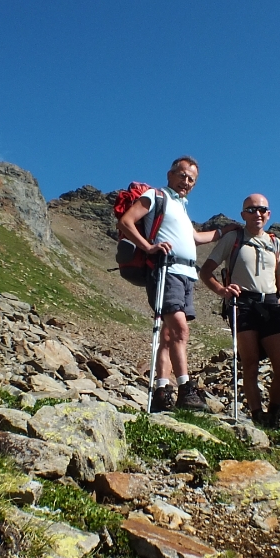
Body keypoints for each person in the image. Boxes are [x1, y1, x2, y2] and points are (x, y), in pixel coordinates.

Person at [119, 156, 231, 412]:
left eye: (191, 179)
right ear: (170, 175)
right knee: (179, 329)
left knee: (169, 336)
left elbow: (195, 237)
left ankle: (161, 391)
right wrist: (148, 247)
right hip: (166, 271)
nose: (186, 181)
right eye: (182, 175)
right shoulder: (155, 196)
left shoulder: (181, 207)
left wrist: (225, 231)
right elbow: (126, 222)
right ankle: (186, 389)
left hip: (185, 274)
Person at [201, 194, 280, 427]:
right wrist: (222, 291)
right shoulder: (233, 238)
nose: (257, 213)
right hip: (243, 304)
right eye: (251, 210)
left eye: (262, 209)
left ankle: (272, 413)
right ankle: (256, 415)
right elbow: (206, 271)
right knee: (250, 364)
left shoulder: (275, 243)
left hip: (272, 305)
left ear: (269, 214)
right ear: (243, 215)